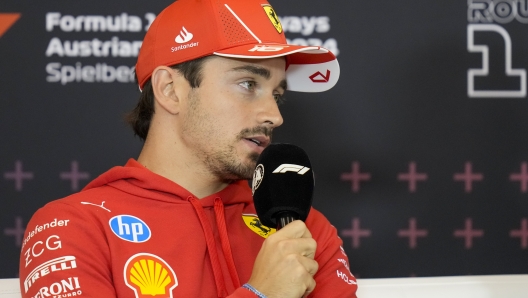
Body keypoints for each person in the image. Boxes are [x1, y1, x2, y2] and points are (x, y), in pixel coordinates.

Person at [19, 0, 357, 297]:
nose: (274, 115)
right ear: (170, 90)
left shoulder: (300, 228)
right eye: (248, 84)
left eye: (277, 94)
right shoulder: (74, 227)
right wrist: (261, 294)